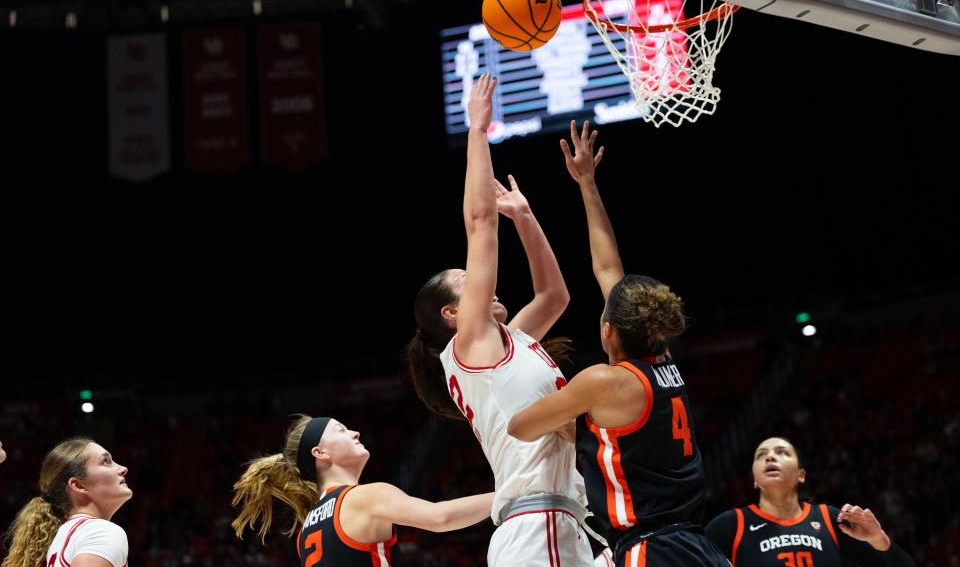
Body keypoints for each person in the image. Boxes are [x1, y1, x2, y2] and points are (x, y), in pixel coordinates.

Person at [507, 120, 728, 567]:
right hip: (694, 543)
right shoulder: (660, 358)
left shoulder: (605, 382)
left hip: (653, 548)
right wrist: (587, 183)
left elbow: (520, 427)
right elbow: (608, 268)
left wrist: (574, 422)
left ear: (608, 331)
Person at [405, 74, 595, 566]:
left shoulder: (507, 343)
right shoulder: (471, 343)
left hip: (553, 524)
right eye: (466, 279)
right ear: (452, 313)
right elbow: (480, 223)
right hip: (537, 526)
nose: (481, 281)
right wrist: (476, 129)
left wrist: (526, 217)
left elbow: (554, 296)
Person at [232, 414, 494, 566]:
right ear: (320, 452)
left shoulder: (306, 529)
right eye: (341, 430)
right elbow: (440, 518)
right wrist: (508, 493)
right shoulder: (364, 497)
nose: (355, 432)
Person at [705, 436, 915, 567]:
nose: (770, 458)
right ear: (755, 480)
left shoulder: (831, 520)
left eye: (782, 453)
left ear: (800, 474)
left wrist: (879, 538)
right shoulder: (729, 525)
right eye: (761, 455)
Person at [2, 437, 131, 567]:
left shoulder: (59, 538)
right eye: (106, 462)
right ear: (78, 485)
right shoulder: (100, 532)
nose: (123, 468)